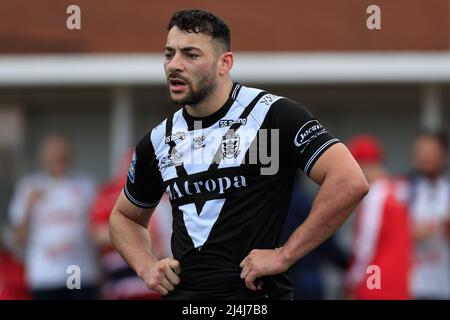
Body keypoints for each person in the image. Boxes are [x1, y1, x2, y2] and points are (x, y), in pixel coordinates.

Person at [109, 9, 368, 300]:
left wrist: (284, 255)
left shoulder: (272, 115)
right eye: (169, 54)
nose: (174, 65)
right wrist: (146, 267)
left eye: (191, 55)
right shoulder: (157, 140)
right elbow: (124, 217)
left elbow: (348, 180)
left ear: (225, 63)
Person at [8, 134, 99, 299]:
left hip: (78, 270)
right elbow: (19, 237)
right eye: (54, 154)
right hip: (45, 273)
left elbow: (97, 227)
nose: (59, 157)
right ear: (43, 157)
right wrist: (29, 207)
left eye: (63, 153)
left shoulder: (85, 185)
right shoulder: (29, 186)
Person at [90, 147, 172, 299]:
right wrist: (134, 234)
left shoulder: (164, 193)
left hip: (158, 275)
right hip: (122, 277)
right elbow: (97, 233)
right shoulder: (108, 192)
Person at [344, 135, 412, 299]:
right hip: (402, 282)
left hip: (375, 283)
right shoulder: (400, 190)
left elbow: (365, 246)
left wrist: (352, 280)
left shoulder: (374, 196)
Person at [407, 131, 450, 299]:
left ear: (443, 156)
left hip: (444, 286)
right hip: (412, 287)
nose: (426, 158)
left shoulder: (447, 191)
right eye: (421, 152)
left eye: (431, 152)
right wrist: (410, 233)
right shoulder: (404, 191)